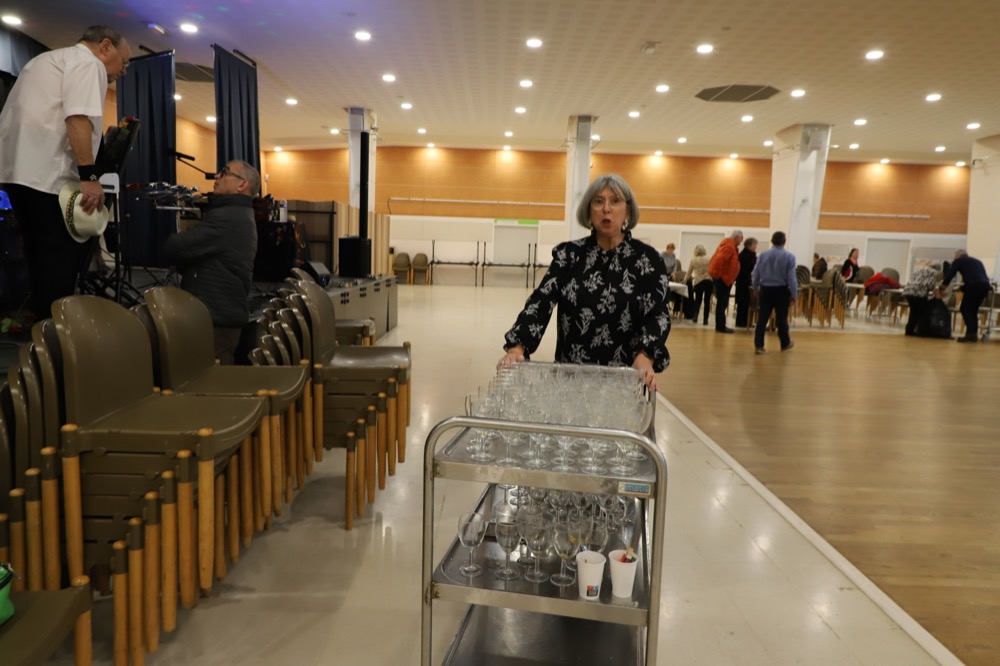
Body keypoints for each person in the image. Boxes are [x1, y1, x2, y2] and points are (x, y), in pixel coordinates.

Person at [0, 25, 132, 317]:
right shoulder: (88, 63)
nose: (123, 71)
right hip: (48, 177)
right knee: (60, 259)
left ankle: (41, 329)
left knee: (36, 254)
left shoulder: (42, 61)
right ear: (105, 47)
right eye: (124, 62)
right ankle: (58, 333)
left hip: (16, 174)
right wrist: (90, 177)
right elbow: (77, 119)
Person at [498, 174, 670, 389]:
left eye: (615, 201)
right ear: (589, 211)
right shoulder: (569, 255)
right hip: (570, 382)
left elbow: (658, 315)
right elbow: (541, 302)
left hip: (623, 384)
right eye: (598, 201)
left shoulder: (648, 260)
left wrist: (646, 355)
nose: (606, 209)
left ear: (628, 210)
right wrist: (517, 346)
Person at [164, 161, 260, 364]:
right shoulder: (238, 213)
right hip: (220, 314)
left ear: (241, 184)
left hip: (216, 318)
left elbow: (175, 247)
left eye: (225, 173)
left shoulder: (227, 217)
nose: (217, 177)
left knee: (213, 380)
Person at [751, 230, 798, 354]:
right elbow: (792, 278)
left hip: (765, 289)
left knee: (762, 318)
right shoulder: (789, 257)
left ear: (772, 241)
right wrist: (794, 294)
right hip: (782, 290)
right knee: (782, 318)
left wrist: (755, 287)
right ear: (784, 242)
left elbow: (756, 273)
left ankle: (759, 345)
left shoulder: (763, 255)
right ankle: (785, 343)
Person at [940, 249, 991, 343]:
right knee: (973, 310)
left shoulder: (959, 260)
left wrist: (942, 287)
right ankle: (973, 334)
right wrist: (963, 288)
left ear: (958, 255)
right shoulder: (977, 261)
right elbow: (976, 276)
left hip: (974, 285)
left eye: (955, 256)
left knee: (965, 308)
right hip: (985, 286)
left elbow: (950, 275)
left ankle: (971, 335)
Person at [708, 229, 743, 333]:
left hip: (725, 279)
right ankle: (720, 326)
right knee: (722, 303)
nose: (741, 241)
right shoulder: (729, 246)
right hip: (723, 279)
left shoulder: (730, 245)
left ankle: (721, 325)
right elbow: (719, 260)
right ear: (737, 238)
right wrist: (721, 277)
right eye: (741, 238)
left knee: (722, 303)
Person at [903, 262, 943, 336]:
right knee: (924, 312)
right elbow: (931, 285)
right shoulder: (935, 273)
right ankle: (922, 331)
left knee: (914, 312)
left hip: (908, 291)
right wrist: (936, 292)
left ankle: (909, 330)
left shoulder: (920, 269)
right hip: (919, 293)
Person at [686, 244, 713, 325]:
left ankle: (695, 316)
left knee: (698, 300)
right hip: (708, 281)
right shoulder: (710, 258)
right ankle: (705, 320)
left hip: (698, 281)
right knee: (707, 301)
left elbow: (689, 272)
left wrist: (685, 280)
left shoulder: (693, 260)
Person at [734, 237, 757, 328]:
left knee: (748, 303)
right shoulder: (743, 255)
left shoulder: (751, 255)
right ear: (749, 245)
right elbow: (744, 269)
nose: (755, 247)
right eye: (754, 245)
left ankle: (747, 322)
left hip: (747, 281)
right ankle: (741, 322)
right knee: (742, 303)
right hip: (743, 282)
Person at [659, 242, 684, 316]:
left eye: (672, 250)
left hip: (670, 274)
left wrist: (673, 273)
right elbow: (660, 265)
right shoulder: (662, 255)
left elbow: (674, 266)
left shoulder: (673, 255)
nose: (670, 251)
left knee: (673, 288)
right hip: (663, 273)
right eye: (669, 250)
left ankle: (674, 306)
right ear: (667, 249)